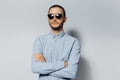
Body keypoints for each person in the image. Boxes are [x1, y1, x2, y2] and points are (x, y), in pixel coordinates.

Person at [31, 4, 81, 80]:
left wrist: (44, 68)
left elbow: (71, 73)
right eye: (51, 16)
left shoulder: (74, 42)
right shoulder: (39, 40)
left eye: (58, 16)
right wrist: (62, 64)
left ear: (65, 19)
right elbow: (35, 68)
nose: (54, 19)